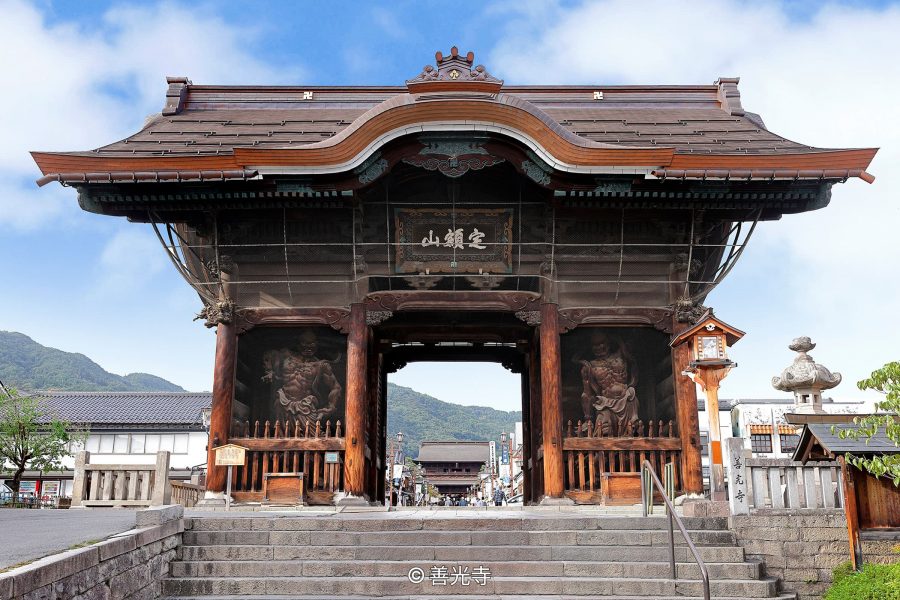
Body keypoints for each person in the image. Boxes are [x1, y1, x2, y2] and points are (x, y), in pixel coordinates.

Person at [262, 330, 342, 430]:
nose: (308, 349)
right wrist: (270, 372)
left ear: (317, 345)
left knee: (311, 435)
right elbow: (270, 355)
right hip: (282, 402)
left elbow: (336, 387)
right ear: (298, 344)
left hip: (305, 406)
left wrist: (330, 408)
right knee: (281, 435)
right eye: (304, 345)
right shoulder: (286, 356)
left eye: (311, 345)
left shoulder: (321, 365)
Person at [579, 331, 639, 437]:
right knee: (603, 432)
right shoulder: (589, 367)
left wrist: (617, 338)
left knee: (631, 434)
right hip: (605, 404)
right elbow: (587, 394)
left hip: (627, 400)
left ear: (609, 342)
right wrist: (587, 419)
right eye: (595, 345)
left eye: (602, 343)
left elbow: (635, 342)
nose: (599, 347)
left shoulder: (622, 355)